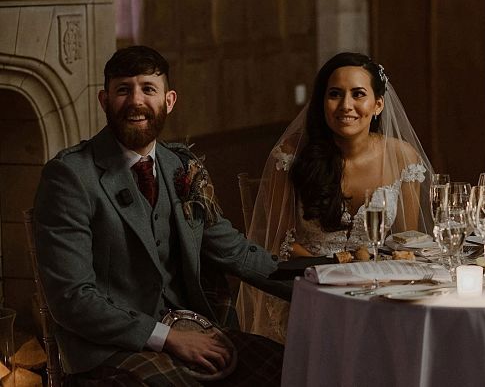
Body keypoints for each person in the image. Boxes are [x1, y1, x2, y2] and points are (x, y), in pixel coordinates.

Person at [33, 46, 283, 386]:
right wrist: (167, 337)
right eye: (124, 90)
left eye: (148, 89)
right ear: (104, 101)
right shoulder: (70, 176)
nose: (136, 101)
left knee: (289, 366)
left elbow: (233, 250)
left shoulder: (180, 166)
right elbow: (71, 298)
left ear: (169, 101)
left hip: (194, 329)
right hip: (113, 348)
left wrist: (312, 280)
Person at [236, 52, 434, 343]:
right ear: (322, 103)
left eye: (358, 94)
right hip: (308, 290)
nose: (346, 106)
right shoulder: (291, 157)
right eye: (335, 94)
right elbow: (280, 244)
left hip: (377, 291)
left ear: (377, 104)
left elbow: (406, 240)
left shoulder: (402, 157)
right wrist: (339, 270)